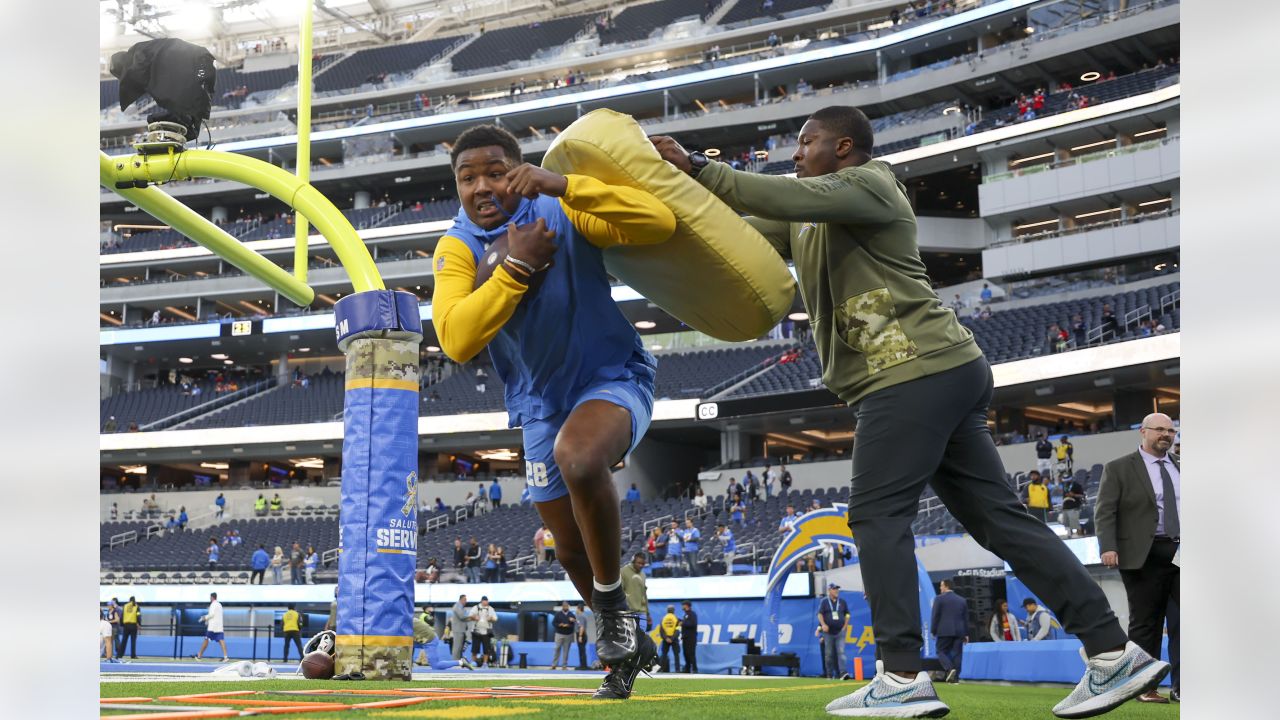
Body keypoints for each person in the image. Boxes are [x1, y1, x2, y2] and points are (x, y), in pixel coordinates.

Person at [651, 106, 1167, 719]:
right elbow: (742, 225)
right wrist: (666, 192)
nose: (795, 153)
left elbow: (769, 192)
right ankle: (1115, 654)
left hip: (910, 371)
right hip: (934, 371)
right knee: (1003, 523)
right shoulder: (810, 219)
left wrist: (702, 164)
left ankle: (900, 673)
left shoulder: (870, 183)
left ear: (844, 148)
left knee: (875, 517)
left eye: (805, 142)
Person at [433, 124, 674, 699]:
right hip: (539, 406)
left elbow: (658, 222)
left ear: (520, 169)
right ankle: (629, 644)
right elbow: (455, 339)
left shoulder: (563, 205)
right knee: (567, 549)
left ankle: (612, 612)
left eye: (495, 171)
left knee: (580, 458)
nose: (481, 187)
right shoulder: (456, 245)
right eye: (468, 178)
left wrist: (564, 183)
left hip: (612, 377)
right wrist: (515, 269)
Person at [1095, 413, 1181, 703]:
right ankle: (1145, 687)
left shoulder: (1181, 468)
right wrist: (1108, 546)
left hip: (1182, 551)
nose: (1166, 435)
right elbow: (1105, 510)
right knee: (1146, 623)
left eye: (1171, 430)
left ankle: (1185, 687)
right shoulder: (1119, 468)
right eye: (1160, 429)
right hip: (1143, 554)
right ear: (1143, 432)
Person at [930, 580, 968, 684]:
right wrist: (966, 634)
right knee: (957, 654)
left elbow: (935, 616)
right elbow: (965, 618)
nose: (940, 588)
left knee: (940, 651)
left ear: (946, 586)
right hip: (959, 631)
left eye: (941, 586)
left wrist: (933, 630)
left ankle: (950, 669)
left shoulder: (938, 599)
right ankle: (955, 679)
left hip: (944, 631)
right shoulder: (962, 600)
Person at [817, 583, 850, 679]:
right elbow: (819, 614)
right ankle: (829, 674)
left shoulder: (842, 602)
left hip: (840, 631)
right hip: (828, 633)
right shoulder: (824, 602)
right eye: (834, 589)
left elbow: (847, 614)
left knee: (841, 653)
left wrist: (845, 626)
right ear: (829, 590)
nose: (836, 591)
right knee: (829, 654)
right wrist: (823, 625)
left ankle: (843, 673)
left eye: (837, 589)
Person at [193, 592, 229, 662]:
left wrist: (204, 618)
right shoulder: (219, 604)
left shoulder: (213, 604)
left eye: (210, 597)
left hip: (212, 628)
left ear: (212, 597)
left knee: (206, 640)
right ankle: (225, 657)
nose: (210, 599)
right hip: (219, 627)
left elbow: (211, 614)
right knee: (221, 640)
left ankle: (199, 656)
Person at [620, 553, 651, 630]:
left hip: (642, 612)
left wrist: (648, 613)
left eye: (643, 564)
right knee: (631, 639)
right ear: (633, 561)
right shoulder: (623, 571)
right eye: (639, 563)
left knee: (642, 638)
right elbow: (620, 592)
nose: (641, 565)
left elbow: (644, 594)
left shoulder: (643, 575)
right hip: (628, 612)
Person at [468, 596, 497, 667]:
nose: (486, 602)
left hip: (486, 632)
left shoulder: (490, 609)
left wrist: (491, 618)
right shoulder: (475, 607)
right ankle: (473, 662)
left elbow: (495, 618)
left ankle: (485, 663)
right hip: (477, 631)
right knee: (475, 649)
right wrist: (474, 617)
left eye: (487, 601)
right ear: (481, 601)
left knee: (486, 649)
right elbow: (470, 616)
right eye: (484, 601)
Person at [551, 600, 577, 670]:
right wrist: (559, 625)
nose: (565, 607)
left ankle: (564, 666)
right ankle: (554, 665)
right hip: (559, 634)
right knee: (557, 648)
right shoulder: (558, 614)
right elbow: (553, 623)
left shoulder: (571, 614)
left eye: (567, 606)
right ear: (562, 606)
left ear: (568, 606)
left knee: (566, 651)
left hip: (568, 634)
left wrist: (571, 623)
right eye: (564, 606)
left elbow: (574, 625)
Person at [658, 604, 680, 673]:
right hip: (674, 639)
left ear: (667, 610)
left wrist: (666, 638)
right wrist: (672, 638)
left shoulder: (663, 618)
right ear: (673, 610)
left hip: (666, 639)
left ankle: (661, 669)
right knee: (676, 655)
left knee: (664, 654)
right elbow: (677, 630)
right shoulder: (676, 618)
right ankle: (677, 670)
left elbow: (661, 630)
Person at [679, 601, 698, 673]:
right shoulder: (685, 615)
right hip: (685, 638)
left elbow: (693, 624)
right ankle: (687, 669)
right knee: (686, 653)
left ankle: (695, 669)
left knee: (691, 653)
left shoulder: (692, 614)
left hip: (691, 638)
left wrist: (683, 623)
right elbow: (686, 623)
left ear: (686, 606)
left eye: (683, 605)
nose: (682, 607)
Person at [450, 595, 470, 660]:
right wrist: (471, 617)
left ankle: (458, 661)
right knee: (457, 647)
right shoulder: (457, 606)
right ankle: (455, 661)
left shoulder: (462, 608)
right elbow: (462, 616)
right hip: (458, 630)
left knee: (460, 647)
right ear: (461, 600)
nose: (466, 601)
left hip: (462, 630)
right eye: (465, 600)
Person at [575, 602, 594, 669]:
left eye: (577, 608)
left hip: (581, 634)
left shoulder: (581, 616)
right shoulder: (583, 615)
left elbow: (582, 627)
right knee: (582, 650)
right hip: (583, 634)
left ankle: (583, 665)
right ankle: (583, 665)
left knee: (582, 650)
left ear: (579, 608)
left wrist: (580, 636)